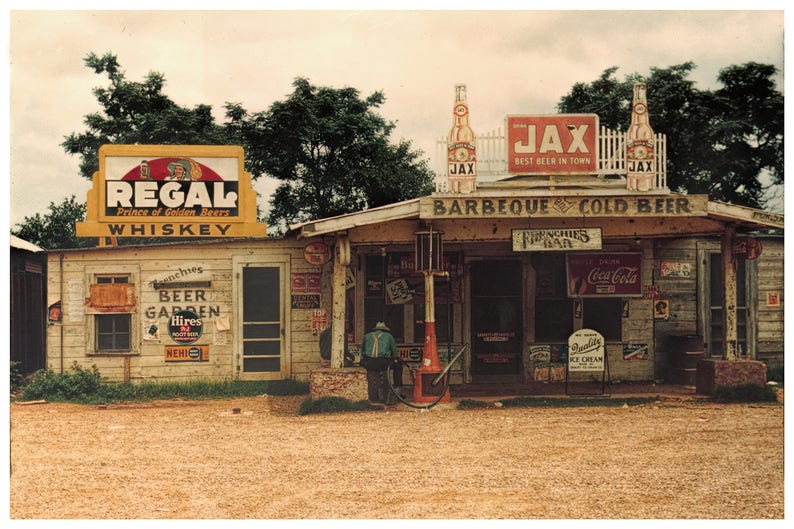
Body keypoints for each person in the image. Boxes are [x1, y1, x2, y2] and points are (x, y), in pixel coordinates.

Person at [360, 322, 398, 404]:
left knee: (371, 376)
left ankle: (373, 398)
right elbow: (394, 351)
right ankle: (396, 389)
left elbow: (362, 351)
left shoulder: (367, 336)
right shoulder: (389, 336)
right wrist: (395, 359)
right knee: (396, 369)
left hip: (369, 361)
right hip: (383, 362)